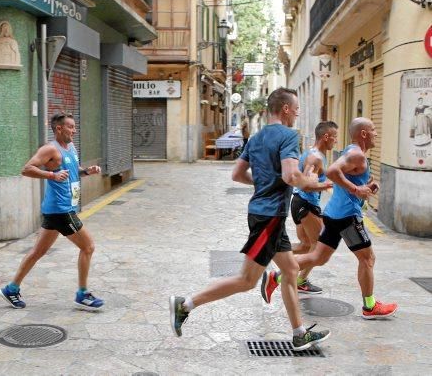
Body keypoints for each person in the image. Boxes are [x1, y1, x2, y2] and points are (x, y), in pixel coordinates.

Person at [170, 88, 333, 351]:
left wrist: (263, 184)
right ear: (286, 109)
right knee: (246, 281)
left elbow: (237, 174)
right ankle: (185, 305)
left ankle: (299, 333)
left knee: (290, 271)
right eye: (297, 109)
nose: (298, 114)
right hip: (269, 217)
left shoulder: (256, 138)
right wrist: (314, 184)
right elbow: (292, 176)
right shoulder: (289, 136)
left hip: (268, 216)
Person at [262, 117, 398, 320]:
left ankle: (277, 276)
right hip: (347, 216)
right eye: (373, 130)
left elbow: (344, 174)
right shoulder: (356, 154)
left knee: (318, 257)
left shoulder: (353, 152)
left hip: (334, 214)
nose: (376, 133)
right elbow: (333, 171)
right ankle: (370, 306)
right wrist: (355, 188)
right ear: (363, 133)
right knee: (367, 259)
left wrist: (365, 185)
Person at [0, 112, 104, 310]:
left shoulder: (70, 147)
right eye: (71, 127)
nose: (74, 130)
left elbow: (72, 171)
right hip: (61, 210)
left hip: (58, 209)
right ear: (59, 128)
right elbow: (26, 169)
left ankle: (11, 289)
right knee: (88, 247)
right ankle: (82, 294)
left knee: (38, 251)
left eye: (74, 126)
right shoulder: (50, 149)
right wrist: (51, 175)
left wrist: (86, 171)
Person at [289, 121, 338, 294]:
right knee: (318, 249)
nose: (336, 141)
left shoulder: (313, 153)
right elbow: (306, 185)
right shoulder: (315, 157)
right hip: (306, 204)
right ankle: (295, 278)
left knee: (305, 245)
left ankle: (274, 251)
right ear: (326, 137)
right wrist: (328, 185)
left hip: (299, 202)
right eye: (335, 137)